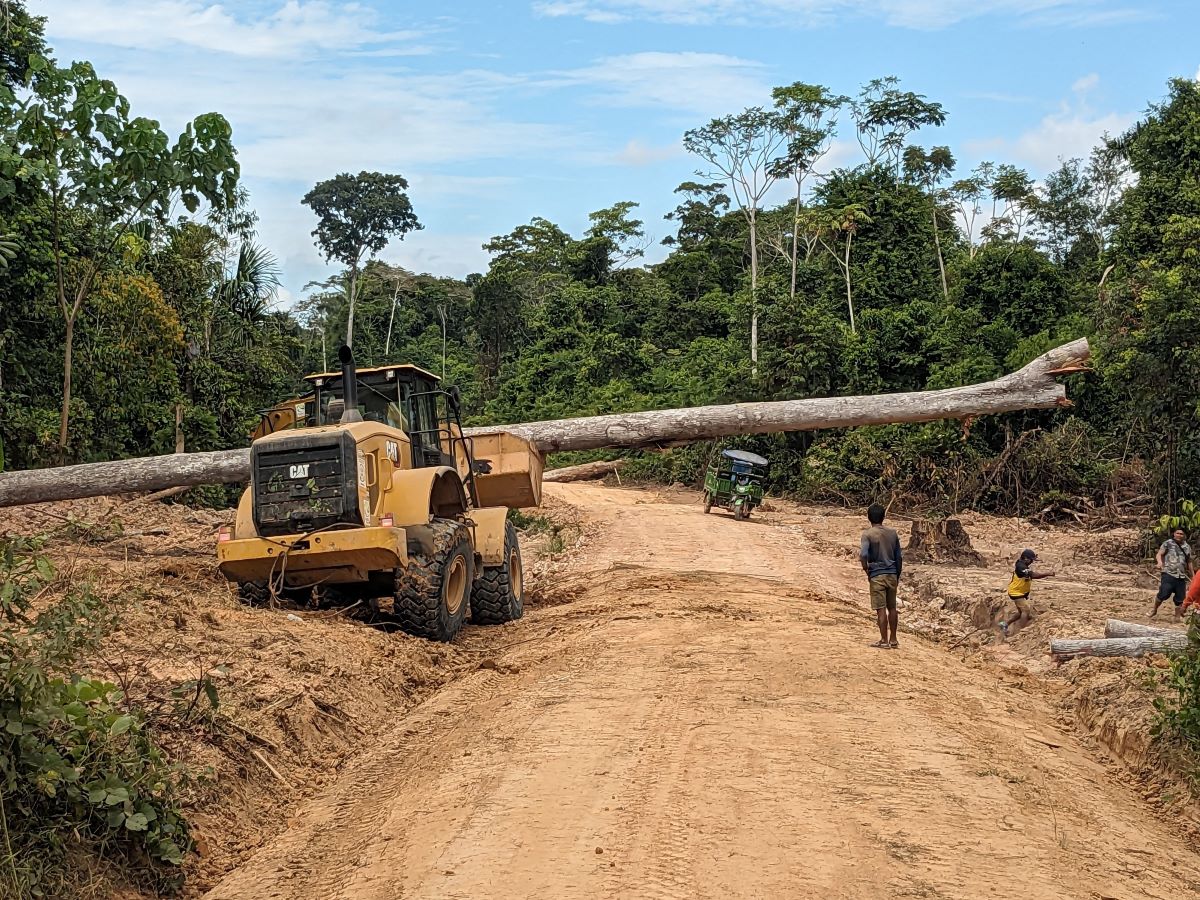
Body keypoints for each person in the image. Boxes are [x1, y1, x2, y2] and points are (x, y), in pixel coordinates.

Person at [860, 503, 902, 649]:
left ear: (869, 517)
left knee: (881, 609)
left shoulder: (868, 534)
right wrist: (897, 574)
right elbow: (899, 556)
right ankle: (894, 639)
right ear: (884, 517)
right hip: (892, 574)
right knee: (892, 607)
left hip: (877, 575)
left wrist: (866, 569)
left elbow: (863, 554)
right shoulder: (892, 533)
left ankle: (883, 640)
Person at [999, 549, 1054, 639]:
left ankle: (1005, 624)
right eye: (1031, 560)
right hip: (1016, 593)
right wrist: (1047, 573)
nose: (1032, 562)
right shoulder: (1021, 567)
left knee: (1021, 612)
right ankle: (1021, 632)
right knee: (1026, 611)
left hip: (1019, 592)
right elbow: (1033, 575)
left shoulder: (1023, 564)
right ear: (1025, 558)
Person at [1152, 528, 1193, 620]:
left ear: (1184, 536)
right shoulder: (1168, 543)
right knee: (1164, 593)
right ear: (1174, 534)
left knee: (1180, 597)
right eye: (1177, 533)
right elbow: (1159, 554)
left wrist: (1193, 576)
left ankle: (1177, 617)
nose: (1179, 535)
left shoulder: (1187, 547)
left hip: (1181, 575)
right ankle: (1154, 610)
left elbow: (1189, 562)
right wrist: (1159, 563)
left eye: (1181, 534)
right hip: (1168, 573)